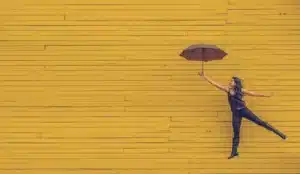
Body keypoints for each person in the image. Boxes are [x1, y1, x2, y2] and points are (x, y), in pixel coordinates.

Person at [198, 72, 287, 159]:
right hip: (236, 114)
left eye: (232, 81)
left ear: (236, 83)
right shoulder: (228, 90)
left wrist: (266, 95)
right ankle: (234, 152)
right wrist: (205, 77)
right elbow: (216, 84)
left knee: (260, 122)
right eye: (231, 81)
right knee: (236, 132)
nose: (230, 82)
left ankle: (279, 133)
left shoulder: (241, 91)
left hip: (244, 111)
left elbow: (253, 93)